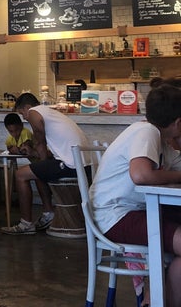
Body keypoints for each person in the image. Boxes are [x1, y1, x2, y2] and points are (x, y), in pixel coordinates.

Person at [89, 80, 181, 307]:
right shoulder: (146, 131)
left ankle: (157, 298)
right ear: (178, 123)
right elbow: (140, 175)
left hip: (136, 212)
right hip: (115, 216)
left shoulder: (160, 139)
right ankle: (156, 296)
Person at [1, 92, 89, 235]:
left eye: (22, 113)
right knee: (37, 171)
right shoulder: (51, 114)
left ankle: (25, 224)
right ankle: (48, 213)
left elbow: (40, 143)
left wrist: (38, 159)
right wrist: (34, 155)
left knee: (20, 174)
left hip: (72, 164)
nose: (24, 118)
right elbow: (47, 152)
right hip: (82, 163)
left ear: (27, 107)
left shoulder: (34, 112)